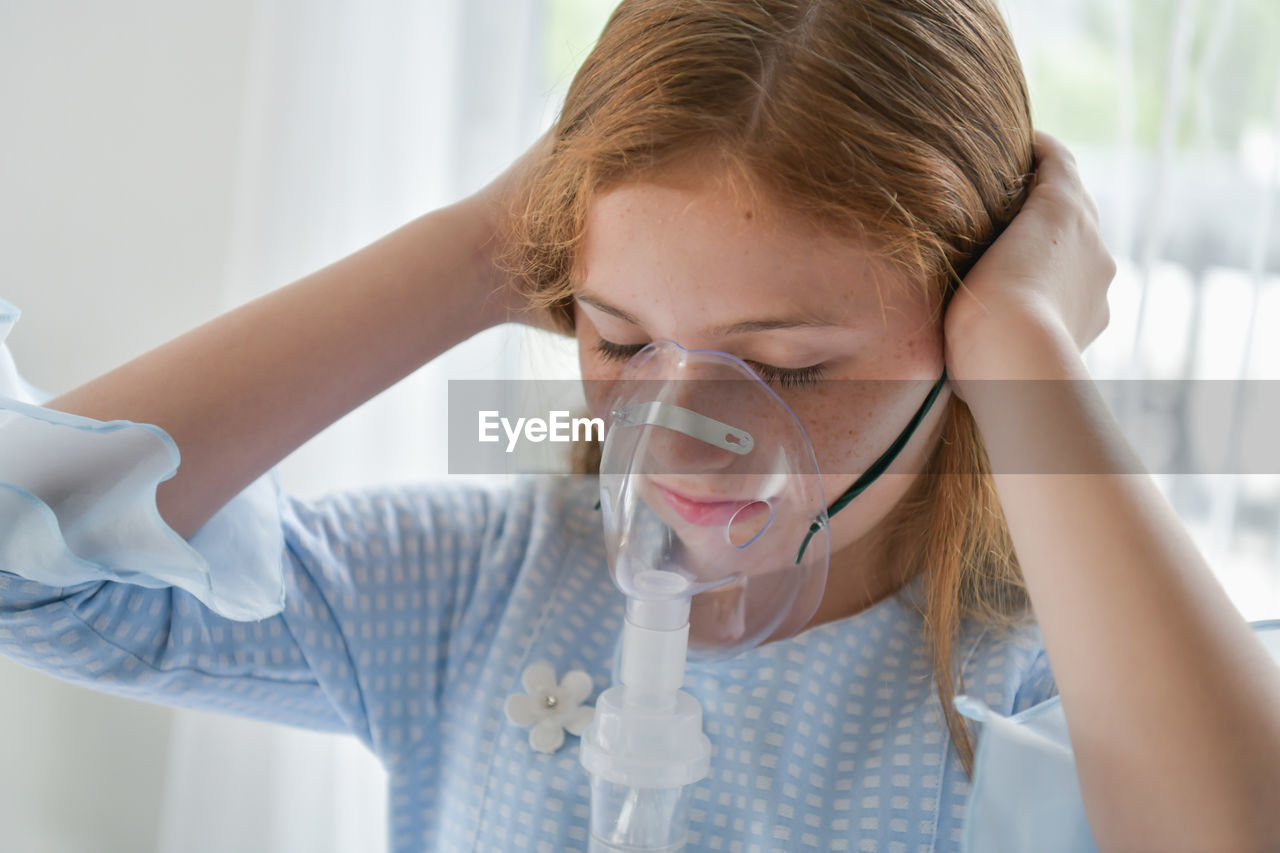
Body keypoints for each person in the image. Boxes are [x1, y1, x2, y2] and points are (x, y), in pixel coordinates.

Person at [1, 0, 1278, 850]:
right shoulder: (478, 595)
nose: (678, 440)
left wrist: (1023, 357)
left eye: (790, 362)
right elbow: (27, 561)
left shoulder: (1065, 676)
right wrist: (477, 251)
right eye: (618, 340)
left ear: (963, 337)